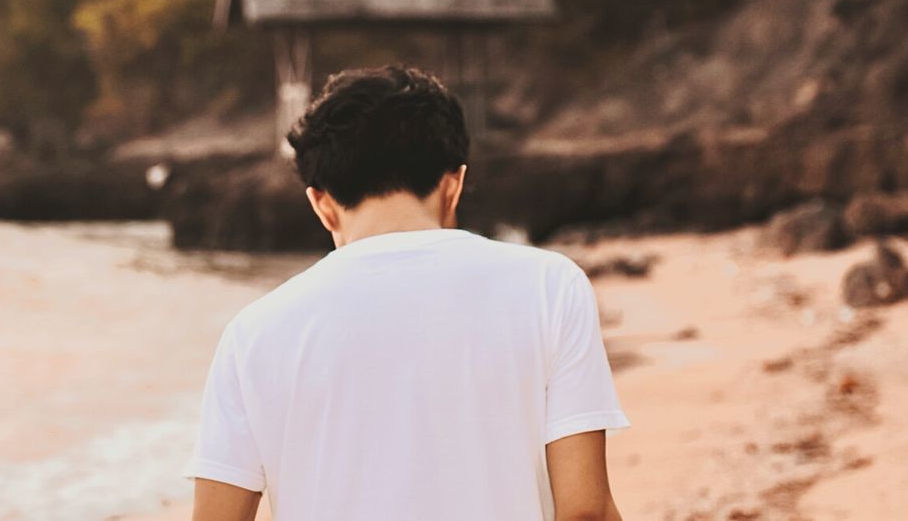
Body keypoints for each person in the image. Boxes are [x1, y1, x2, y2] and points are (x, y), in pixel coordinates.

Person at [180, 63, 629, 521]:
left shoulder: (253, 332)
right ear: (453, 183)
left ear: (321, 204)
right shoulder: (550, 286)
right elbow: (584, 512)